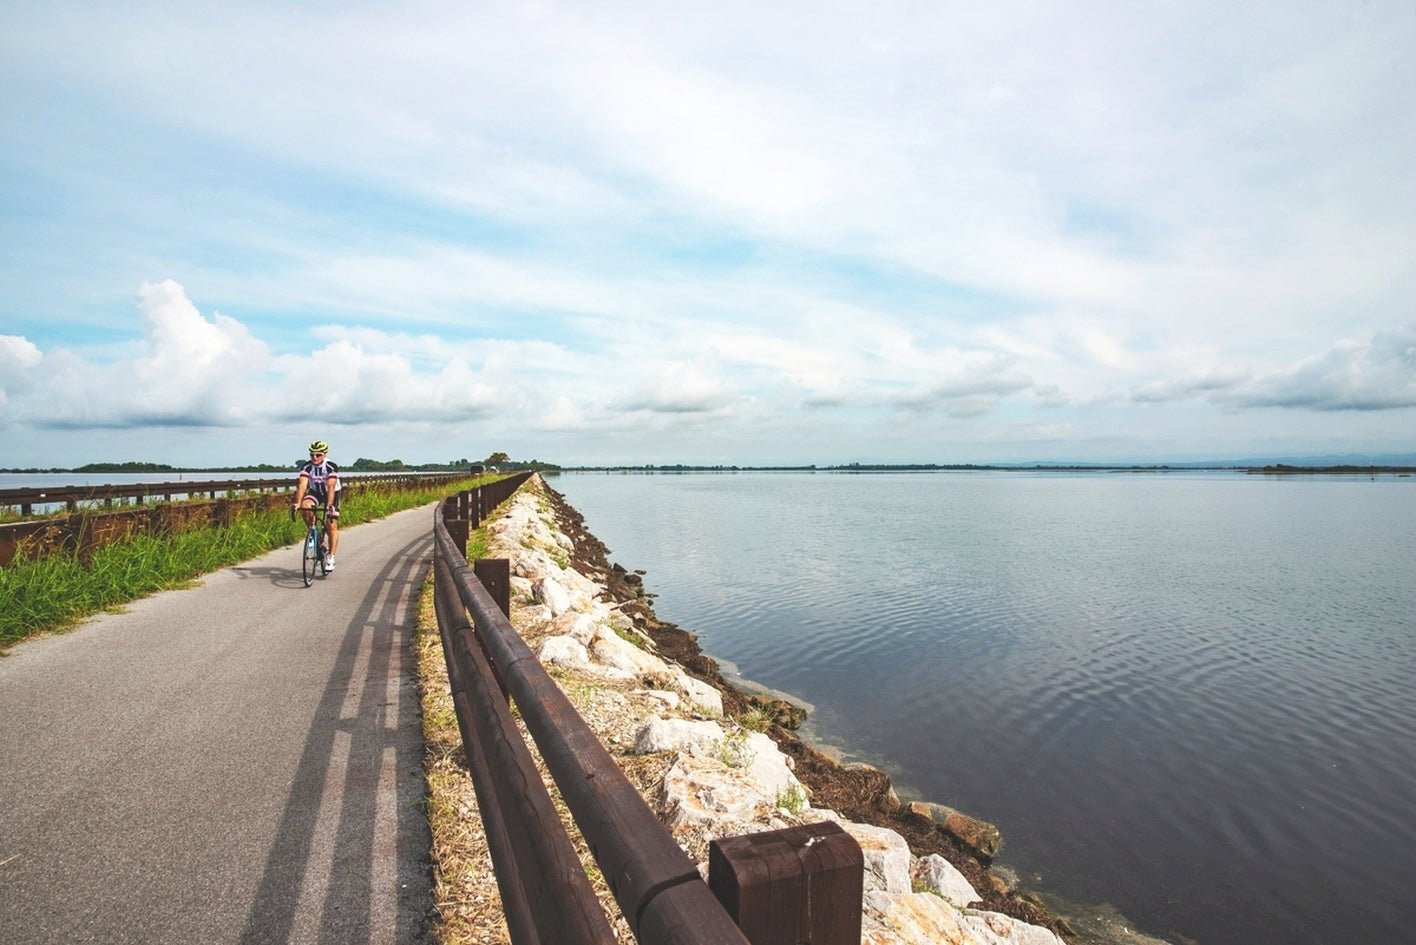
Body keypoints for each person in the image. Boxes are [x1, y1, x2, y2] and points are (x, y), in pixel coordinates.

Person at [293, 439, 341, 570]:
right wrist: (297, 503)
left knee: (331, 525)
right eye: (312, 454)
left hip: (331, 493)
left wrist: (329, 505)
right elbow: (302, 484)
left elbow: (331, 486)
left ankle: (331, 556)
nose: (314, 457)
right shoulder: (307, 466)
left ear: (324, 454)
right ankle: (313, 531)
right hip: (316, 491)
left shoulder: (331, 466)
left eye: (318, 454)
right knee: (305, 505)